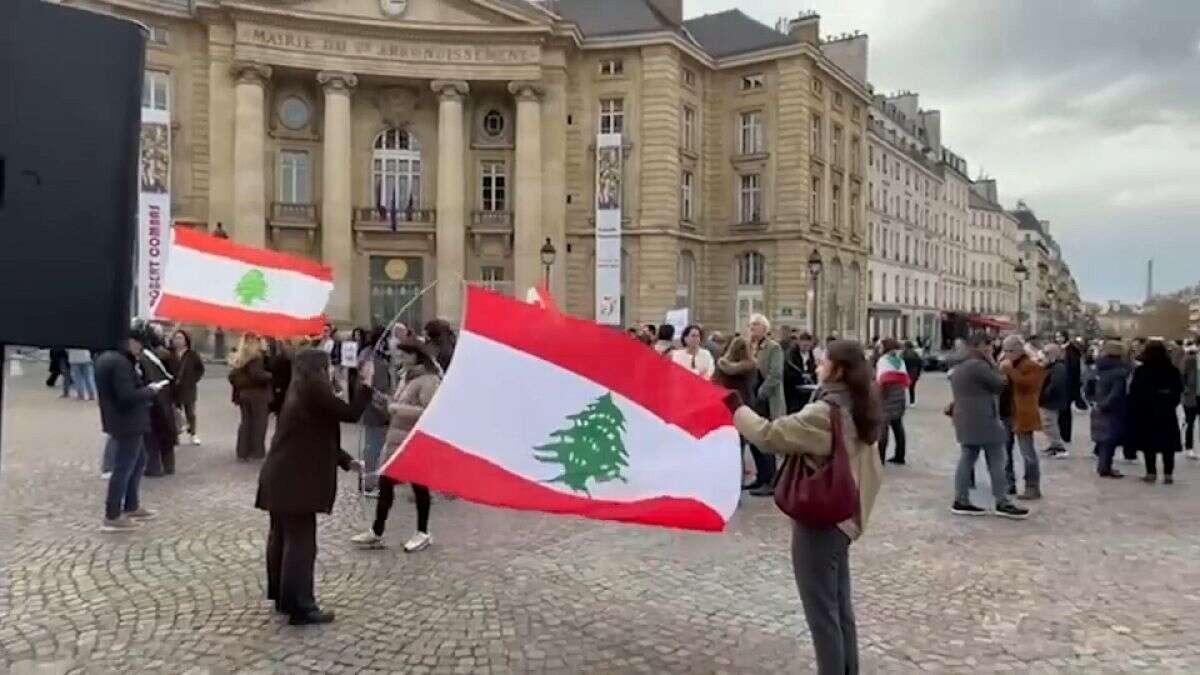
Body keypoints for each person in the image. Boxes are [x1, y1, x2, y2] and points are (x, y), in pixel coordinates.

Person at [730, 340, 883, 675]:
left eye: (823, 361)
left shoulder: (825, 413)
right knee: (840, 610)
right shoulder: (860, 402)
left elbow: (771, 435)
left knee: (822, 615)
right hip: (845, 517)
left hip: (823, 520)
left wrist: (737, 409)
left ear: (837, 369)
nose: (818, 366)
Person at [255, 348, 369, 625]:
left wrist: (346, 461)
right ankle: (301, 606)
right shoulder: (314, 391)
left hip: (280, 477)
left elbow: (316, 434)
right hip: (296, 481)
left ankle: (283, 598)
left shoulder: (299, 391)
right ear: (319, 368)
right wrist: (364, 383)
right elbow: (351, 413)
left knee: (282, 537)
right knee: (301, 544)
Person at [352, 338, 441, 552]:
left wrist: (396, 408)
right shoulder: (405, 377)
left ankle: (423, 532)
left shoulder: (429, 380)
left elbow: (429, 411)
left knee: (419, 487)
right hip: (395, 440)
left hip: (413, 441)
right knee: (385, 486)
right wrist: (384, 403)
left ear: (415, 356)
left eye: (403, 355)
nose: (399, 358)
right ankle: (377, 531)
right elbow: (398, 404)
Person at [95, 322, 169, 531]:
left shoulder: (111, 358)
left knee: (138, 461)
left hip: (125, 420)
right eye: (140, 345)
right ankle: (112, 515)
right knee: (124, 466)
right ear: (131, 341)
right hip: (127, 421)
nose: (141, 349)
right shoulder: (119, 363)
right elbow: (126, 396)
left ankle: (131, 505)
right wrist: (150, 391)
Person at [950, 333, 1030, 519]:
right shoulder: (978, 365)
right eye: (989, 346)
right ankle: (1002, 501)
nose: (992, 349)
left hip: (965, 417)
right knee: (997, 459)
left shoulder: (960, 365)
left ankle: (961, 499)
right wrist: (997, 366)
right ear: (979, 346)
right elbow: (999, 384)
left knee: (967, 457)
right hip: (984, 418)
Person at [1128, 340, 1183, 484]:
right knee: (1168, 445)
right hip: (1166, 412)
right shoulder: (1172, 370)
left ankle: (1151, 472)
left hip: (1147, 412)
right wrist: (1170, 402)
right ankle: (1168, 474)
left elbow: (1134, 392)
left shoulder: (1142, 370)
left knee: (1149, 444)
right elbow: (1178, 390)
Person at [744, 314, 785, 496]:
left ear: (765, 328)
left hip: (765, 399)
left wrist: (761, 393)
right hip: (751, 397)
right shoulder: (748, 346)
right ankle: (760, 477)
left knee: (765, 439)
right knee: (753, 439)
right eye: (751, 325)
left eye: (757, 325)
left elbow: (775, 375)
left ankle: (770, 479)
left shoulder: (773, 348)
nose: (753, 328)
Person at [999, 335, 1044, 499]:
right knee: (1005, 452)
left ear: (1019, 350)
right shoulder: (1005, 365)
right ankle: (1008, 484)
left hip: (1022, 414)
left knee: (1027, 452)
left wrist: (1009, 370)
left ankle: (1032, 486)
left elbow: (1027, 384)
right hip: (1005, 413)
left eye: (1010, 350)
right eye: (1005, 350)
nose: (1007, 354)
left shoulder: (1031, 365)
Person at [359, 328, 394, 495]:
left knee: (372, 446)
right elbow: (377, 388)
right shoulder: (375, 360)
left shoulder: (367, 354)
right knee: (374, 447)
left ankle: (369, 481)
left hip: (372, 406)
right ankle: (370, 483)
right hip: (377, 409)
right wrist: (386, 409)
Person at [139, 332, 179, 477]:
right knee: (166, 432)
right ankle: (168, 466)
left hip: (155, 400)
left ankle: (154, 467)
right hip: (166, 398)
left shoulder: (145, 359)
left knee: (153, 435)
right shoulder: (166, 355)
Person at [229, 334, 273, 461]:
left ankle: (243, 451)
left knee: (246, 422)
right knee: (259, 423)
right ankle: (256, 451)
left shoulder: (242, 356)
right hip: (257, 395)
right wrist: (270, 376)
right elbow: (257, 374)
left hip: (244, 394)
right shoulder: (256, 358)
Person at [1091, 341, 1131, 478]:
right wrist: (1106, 404)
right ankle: (1105, 467)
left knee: (1102, 438)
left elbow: (1088, 385)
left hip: (1097, 406)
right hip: (1113, 409)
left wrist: (1094, 401)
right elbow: (1116, 392)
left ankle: (1103, 465)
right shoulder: (1120, 372)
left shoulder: (1098, 367)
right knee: (1110, 439)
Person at [874, 339, 911, 465]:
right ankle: (900, 455)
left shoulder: (883, 360)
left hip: (887, 394)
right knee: (897, 425)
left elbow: (882, 380)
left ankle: (880, 457)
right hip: (899, 393)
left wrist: (879, 397)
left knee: (883, 427)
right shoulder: (899, 360)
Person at [169, 329, 205, 446]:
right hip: (174, 388)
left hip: (188, 388)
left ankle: (193, 434)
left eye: (180, 338)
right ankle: (175, 434)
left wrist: (193, 379)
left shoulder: (192, 354)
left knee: (190, 412)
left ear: (186, 340)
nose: (178, 341)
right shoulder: (169, 353)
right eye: (176, 338)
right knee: (174, 412)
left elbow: (200, 369)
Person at [1038, 344, 1072, 459]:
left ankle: (1058, 447)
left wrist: (1044, 395)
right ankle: (1053, 445)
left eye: (1046, 353)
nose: (1043, 356)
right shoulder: (1052, 366)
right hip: (1049, 400)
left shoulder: (1058, 367)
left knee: (1049, 424)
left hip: (1052, 401)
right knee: (1047, 424)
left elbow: (1055, 385)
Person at [784, 332, 819, 414]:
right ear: (799, 343)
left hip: (807, 386)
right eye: (804, 346)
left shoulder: (810, 353)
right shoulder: (791, 354)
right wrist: (801, 375)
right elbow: (789, 370)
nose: (806, 348)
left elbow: (812, 367)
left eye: (808, 346)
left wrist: (811, 375)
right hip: (793, 388)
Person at [1183, 344, 1198, 461]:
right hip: (1191, 396)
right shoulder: (1190, 359)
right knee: (1190, 422)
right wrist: (1185, 389)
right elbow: (1181, 375)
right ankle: (1189, 448)